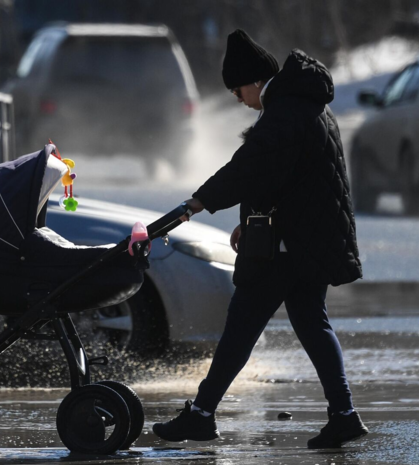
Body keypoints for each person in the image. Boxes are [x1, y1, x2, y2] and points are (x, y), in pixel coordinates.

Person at [152, 29, 368, 449]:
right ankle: (343, 415)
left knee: (242, 326)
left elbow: (250, 168)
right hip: (308, 237)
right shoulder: (306, 105)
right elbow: (286, 177)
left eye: (237, 90)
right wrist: (251, 219)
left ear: (254, 81)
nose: (238, 99)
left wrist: (198, 202)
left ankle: (201, 415)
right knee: (311, 322)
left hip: (288, 247)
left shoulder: (283, 112)